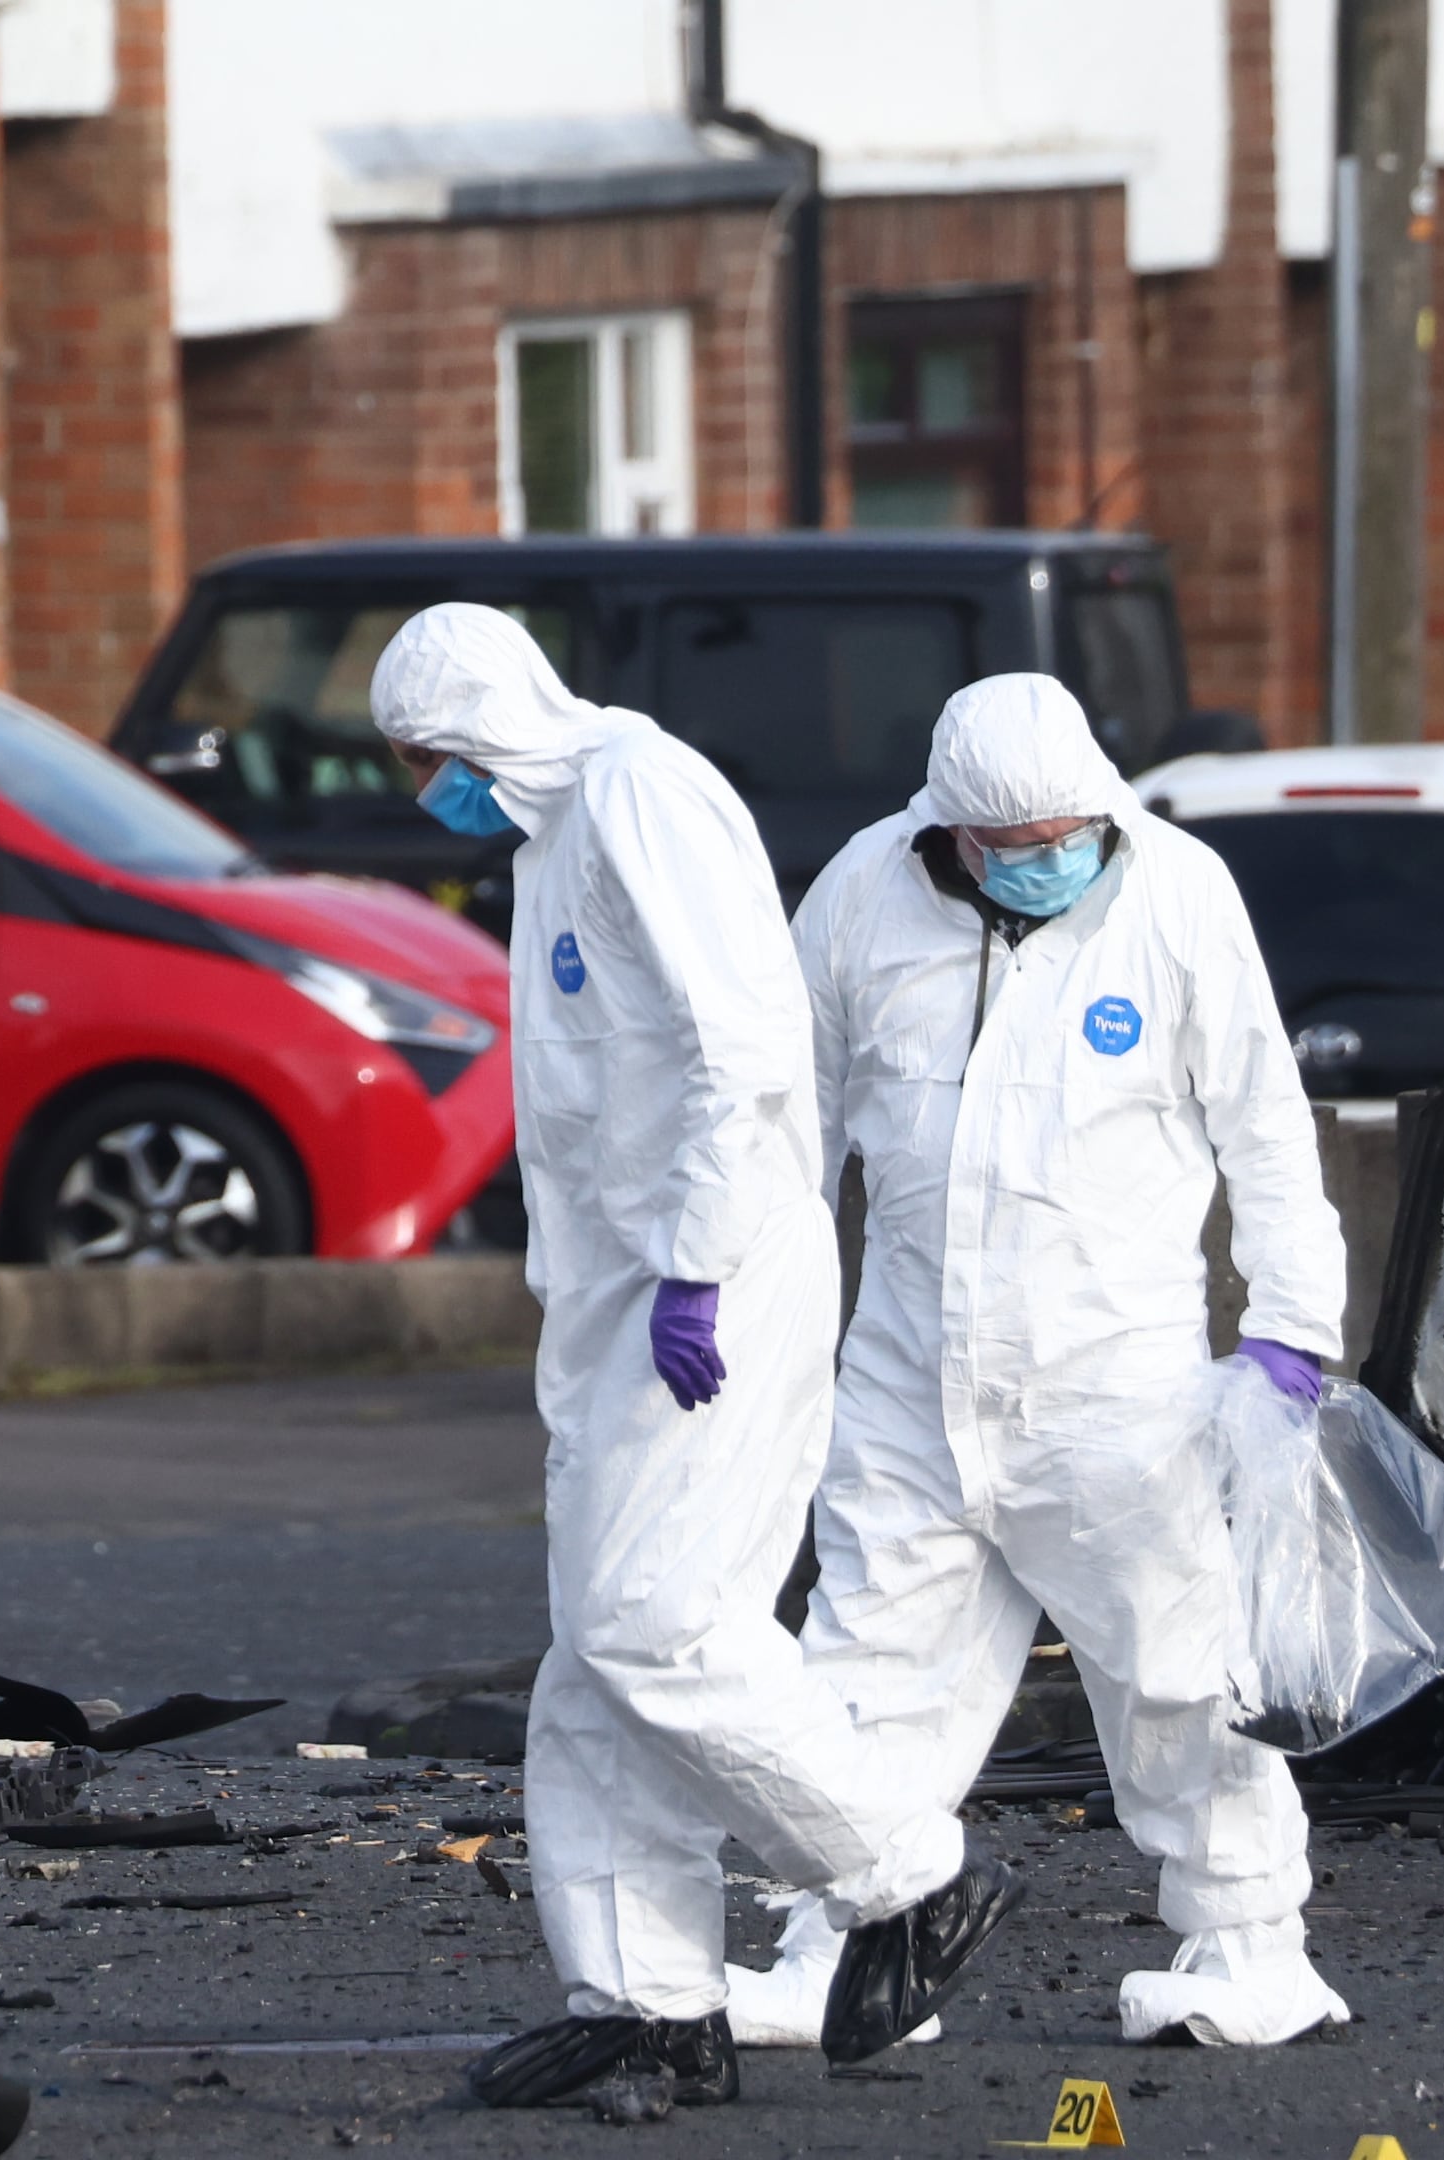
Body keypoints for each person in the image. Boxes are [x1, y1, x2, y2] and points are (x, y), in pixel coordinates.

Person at [367, 606, 1024, 2105]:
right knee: (597, 1659)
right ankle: (648, 1999)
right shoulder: (555, 835)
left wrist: (695, 1268)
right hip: (628, 1293)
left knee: (659, 1623)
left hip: (707, 1283)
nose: (429, 793)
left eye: (429, 763)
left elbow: (741, 1046)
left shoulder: (637, 794)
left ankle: (910, 1874)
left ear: (474, 730)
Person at [734, 672, 1350, 2049]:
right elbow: (789, 1121)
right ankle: (840, 1950)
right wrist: (744, 1299)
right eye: (1014, 846)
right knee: (861, 1663)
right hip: (907, 1375)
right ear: (948, 829)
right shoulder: (858, 897)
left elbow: (1266, 1122)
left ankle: (1252, 1948)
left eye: (1069, 832)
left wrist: (1292, 1332)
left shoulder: (1177, 896)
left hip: (1118, 1387)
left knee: (1181, 1672)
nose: (1048, 861)